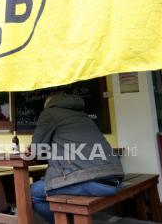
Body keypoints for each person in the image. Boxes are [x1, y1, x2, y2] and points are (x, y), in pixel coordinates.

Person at [29, 92, 124, 223]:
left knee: (30, 193)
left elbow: (36, 150)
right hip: (115, 180)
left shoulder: (49, 112)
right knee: (53, 186)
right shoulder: (82, 115)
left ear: (48, 103)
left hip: (91, 181)